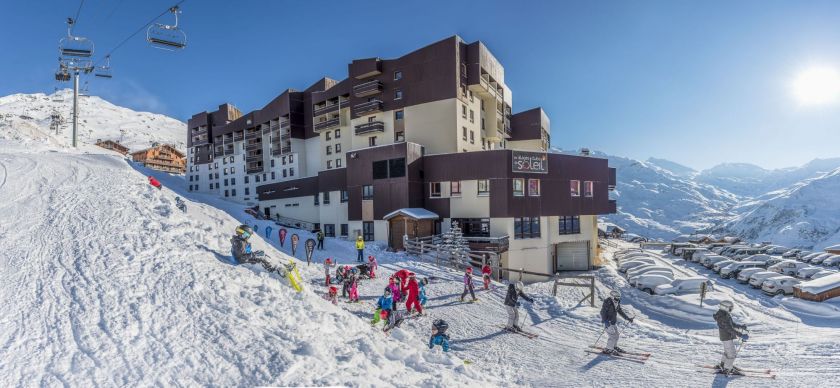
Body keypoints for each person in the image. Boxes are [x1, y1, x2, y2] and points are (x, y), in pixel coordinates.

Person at [714, 300, 749, 375]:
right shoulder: (723, 316)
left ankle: (723, 365)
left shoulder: (724, 314)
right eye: (730, 308)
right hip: (726, 337)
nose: (731, 309)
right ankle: (727, 369)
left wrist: (740, 326)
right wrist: (740, 335)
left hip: (726, 336)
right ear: (725, 307)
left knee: (727, 352)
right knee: (732, 353)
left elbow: (732, 324)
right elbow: (729, 329)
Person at [599, 290, 634, 355]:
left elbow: (620, 311)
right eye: (616, 297)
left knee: (616, 335)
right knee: (612, 336)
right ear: (612, 297)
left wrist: (627, 318)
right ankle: (608, 349)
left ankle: (613, 346)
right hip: (608, 322)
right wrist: (605, 321)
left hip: (613, 322)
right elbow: (602, 312)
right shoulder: (607, 302)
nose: (618, 299)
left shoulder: (616, 303)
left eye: (618, 297)